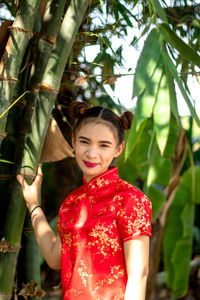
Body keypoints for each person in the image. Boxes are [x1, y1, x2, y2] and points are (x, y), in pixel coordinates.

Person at [17, 101, 152, 300]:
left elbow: (139, 275)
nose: (91, 153)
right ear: (73, 140)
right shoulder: (72, 201)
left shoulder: (131, 200)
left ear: (118, 149)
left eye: (104, 145)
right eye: (84, 141)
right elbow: (55, 258)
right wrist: (33, 204)